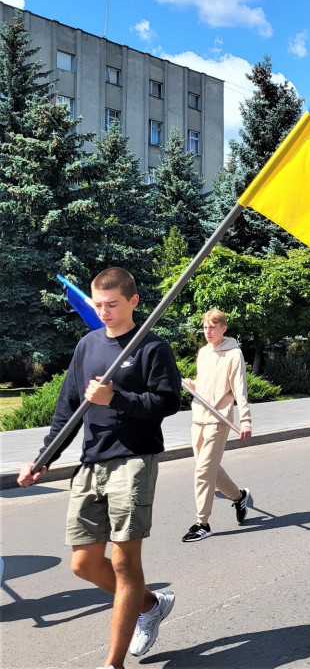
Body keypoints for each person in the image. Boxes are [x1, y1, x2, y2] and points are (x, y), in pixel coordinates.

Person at [17, 267, 182, 668]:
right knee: (84, 564)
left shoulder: (151, 347)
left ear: (133, 302)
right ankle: (150, 604)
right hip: (92, 461)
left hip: (134, 459)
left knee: (125, 562)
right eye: (98, 305)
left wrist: (117, 398)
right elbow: (67, 410)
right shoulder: (87, 346)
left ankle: (113, 662)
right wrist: (44, 459)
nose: (104, 312)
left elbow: (168, 402)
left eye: (112, 305)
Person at [181, 309, 253, 543]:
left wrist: (245, 421)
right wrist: (185, 381)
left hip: (219, 420)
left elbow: (240, 390)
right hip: (198, 418)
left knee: (203, 471)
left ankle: (202, 523)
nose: (208, 331)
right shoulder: (203, 352)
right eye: (205, 327)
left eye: (213, 327)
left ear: (224, 328)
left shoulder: (234, 354)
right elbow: (203, 384)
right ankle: (239, 496)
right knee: (210, 468)